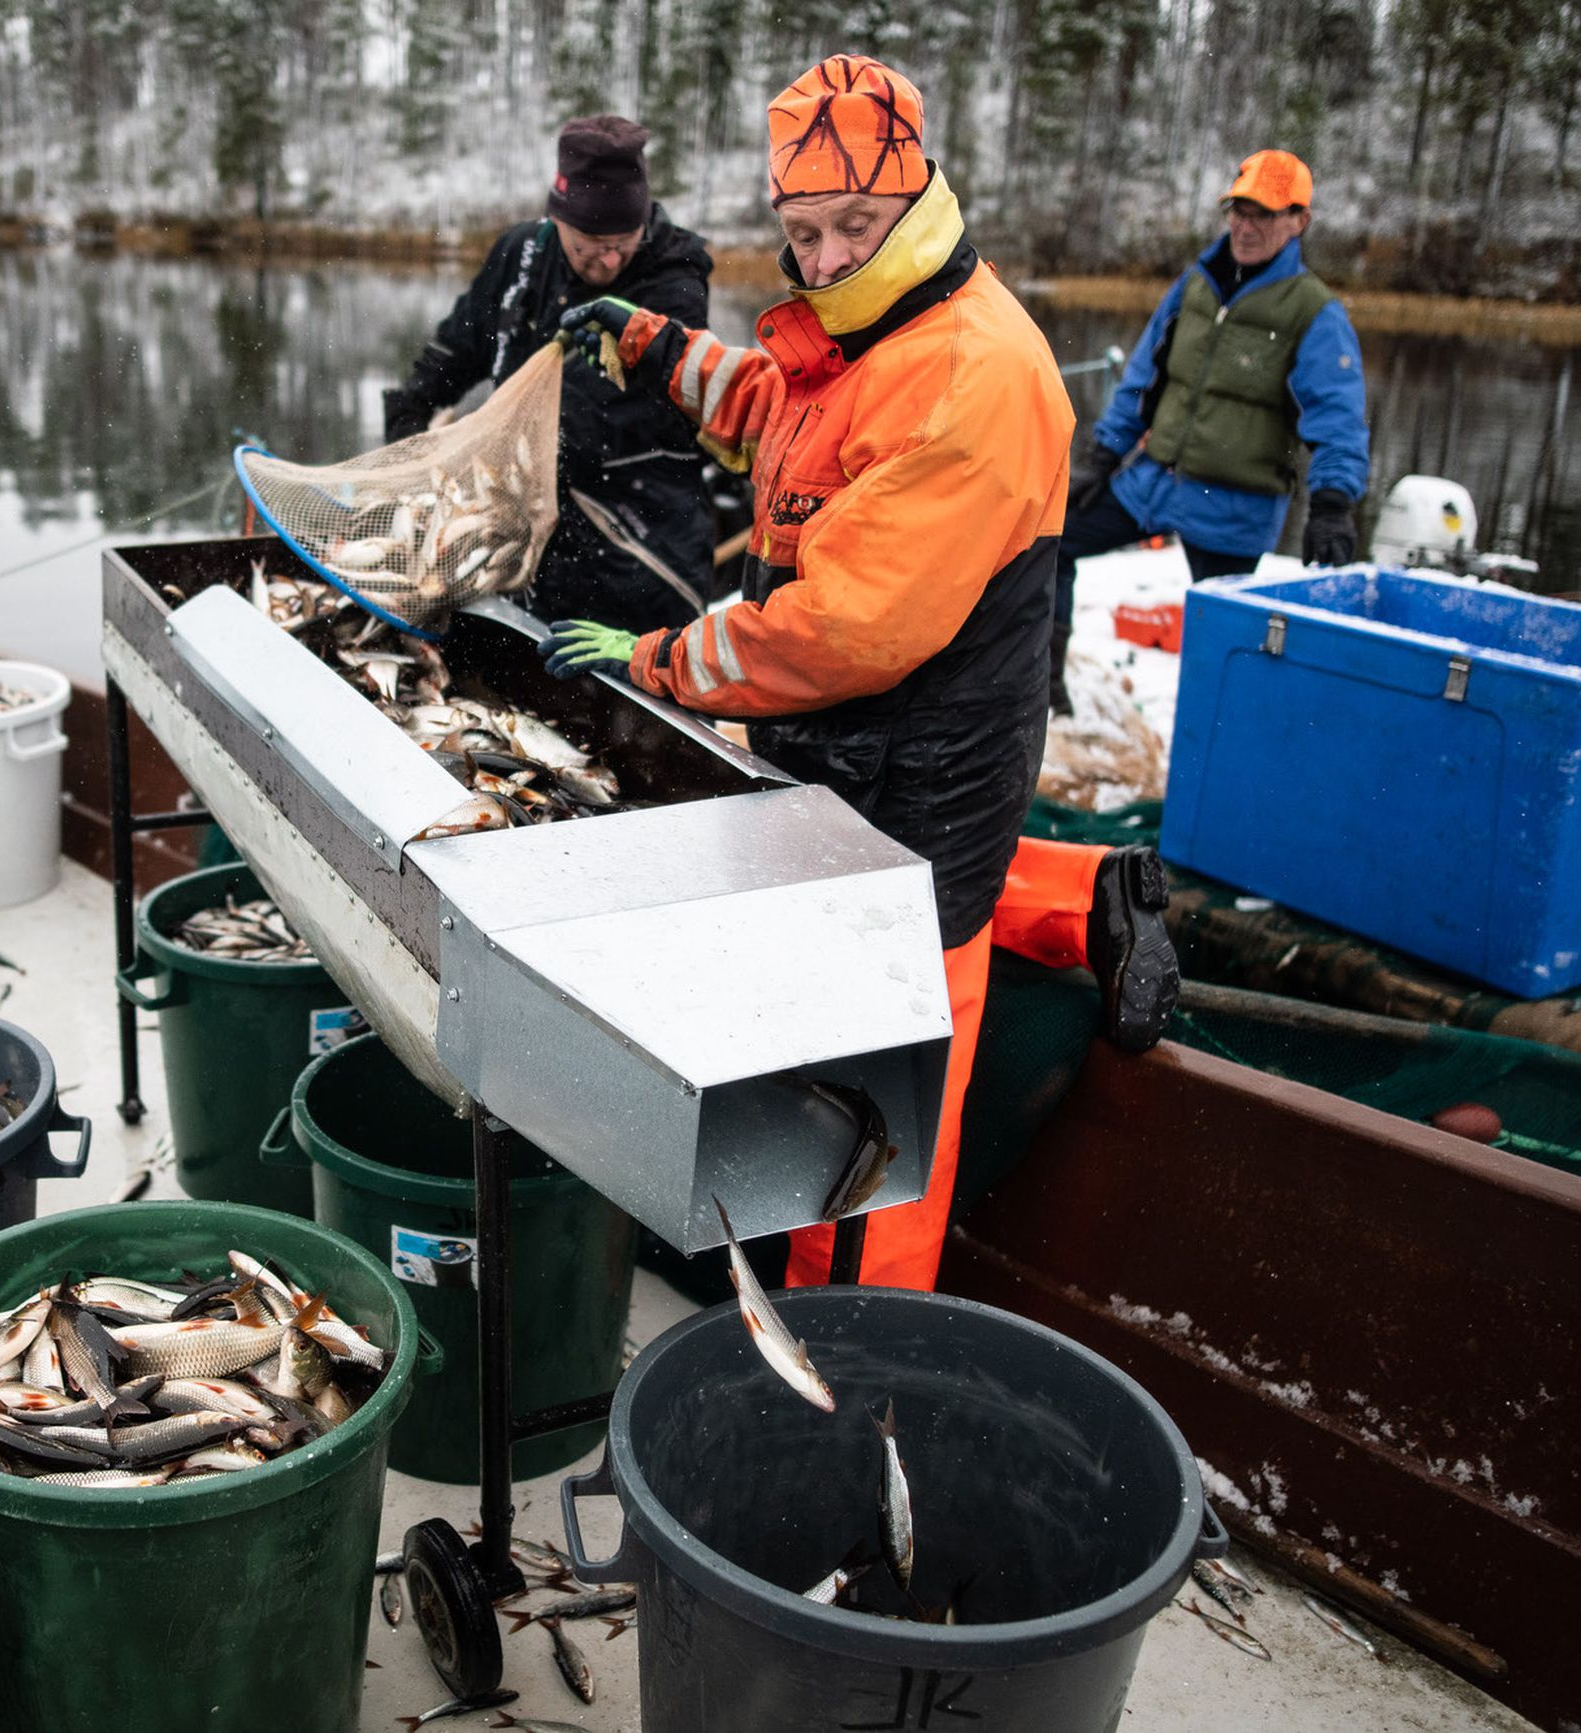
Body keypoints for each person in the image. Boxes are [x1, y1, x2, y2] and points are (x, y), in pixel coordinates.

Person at [542, 53, 1178, 1294]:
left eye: (852, 228)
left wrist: (656, 659)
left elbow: (841, 628)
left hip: (924, 785)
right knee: (812, 1055)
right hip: (834, 756)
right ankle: (1090, 890)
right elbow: (781, 419)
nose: (824, 258)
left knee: (883, 1122)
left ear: (915, 198)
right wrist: (663, 350)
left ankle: (859, 1350)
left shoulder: (972, 374)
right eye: (801, 232)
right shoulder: (861, 327)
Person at [1050, 149, 1371, 711]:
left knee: (1225, 640)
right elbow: (1144, 376)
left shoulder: (1315, 313)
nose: (1246, 227)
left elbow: (1338, 417)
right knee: (1049, 543)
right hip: (1153, 481)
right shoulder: (1195, 285)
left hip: (1233, 504)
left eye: (1265, 215)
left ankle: (1209, 747)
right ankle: (1046, 695)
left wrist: (1334, 502)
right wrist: (1103, 456)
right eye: (1239, 211)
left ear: (1300, 222)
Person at [380, 115, 717, 634]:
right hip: (531, 544)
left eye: (623, 241)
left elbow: (596, 413)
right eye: (589, 243)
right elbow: (459, 346)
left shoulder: (675, 282)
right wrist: (411, 410)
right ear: (557, 219)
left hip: (638, 550)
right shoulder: (522, 254)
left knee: (619, 699)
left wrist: (478, 448)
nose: (608, 259)